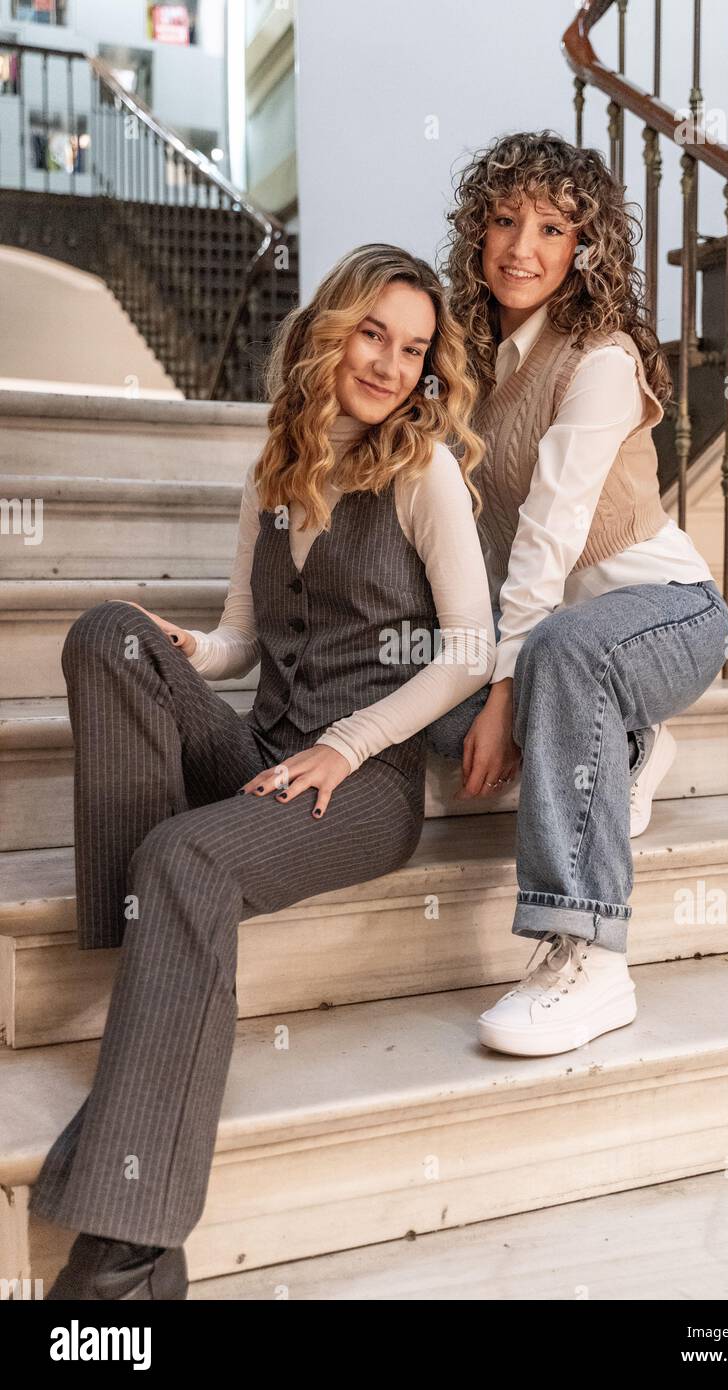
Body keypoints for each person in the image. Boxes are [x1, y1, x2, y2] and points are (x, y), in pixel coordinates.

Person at [31, 243, 496, 1299]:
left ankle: (129, 1257)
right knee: (110, 635)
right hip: (266, 755)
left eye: (412, 348)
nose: (387, 364)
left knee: (187, 860)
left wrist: (351, 744)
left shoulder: (420, 470)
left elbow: (471, 646)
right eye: (372, 333)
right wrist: (188, 650)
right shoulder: (277, 468)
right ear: (331, 329)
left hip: (362, 789)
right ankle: (143, 957)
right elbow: (243, 638)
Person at [426, 131, 728, 1059]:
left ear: (582, 248)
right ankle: (628, 744)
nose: (523, 246)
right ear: (476, 233)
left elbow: (547, 536)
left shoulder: (598, 358)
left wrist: (509, 691)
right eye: (505, 219)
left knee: (560, 655)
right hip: (566, 643)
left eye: (552, 226)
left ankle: (589, 956)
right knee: (430, 699)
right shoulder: (470, 360)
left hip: (668, 615)